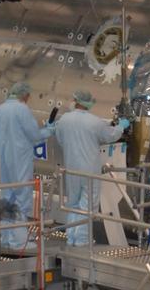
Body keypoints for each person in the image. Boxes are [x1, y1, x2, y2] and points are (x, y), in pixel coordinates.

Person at [53, 91, 128, 246]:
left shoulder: (64, 120)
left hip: (71, 169)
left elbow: (61, 140)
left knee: (73, 204)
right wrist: (121, 126)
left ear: (76, 101)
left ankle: (71, 237)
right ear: (88, 103)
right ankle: (81, 241)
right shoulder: (94, 122)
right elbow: (111, 136)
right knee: (87, 207)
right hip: (89, 171)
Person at [0, 81, 53, 251]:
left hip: (4, 159)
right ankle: (19, 242)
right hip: (19, 159)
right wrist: (49, 130)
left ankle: (5, 238)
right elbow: (34, 135)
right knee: (22, 198)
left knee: (8, 197)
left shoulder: (1, 109)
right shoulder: (22, 109)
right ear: (24, 95)